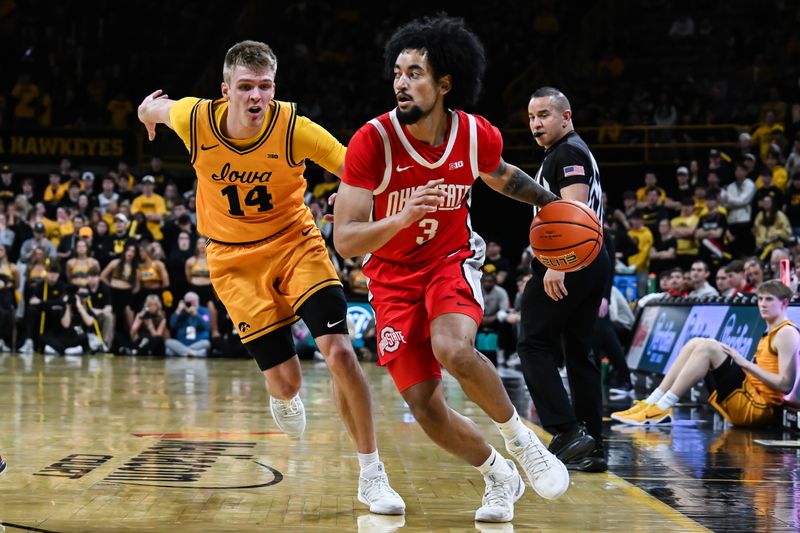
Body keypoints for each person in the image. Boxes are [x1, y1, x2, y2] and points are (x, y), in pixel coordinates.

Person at [137, 40, 404, 515]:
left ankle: (372, 474)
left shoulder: (293, 129)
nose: (256, 96)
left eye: (264, 86)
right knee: (286, 383)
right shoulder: (194, 120)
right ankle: (283, 396)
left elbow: (354, 168)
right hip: (233, 261)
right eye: (245, 87)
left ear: (274, 88)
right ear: (225, 92)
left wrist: (405, 192)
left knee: (340, 352)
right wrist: (146, 113)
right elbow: (154, 107)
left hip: (295, 243)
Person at [333, 15, 568, 524]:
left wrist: (554, 207)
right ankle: (497, 473)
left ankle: (523, 443)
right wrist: (404, 214)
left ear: (444, 83)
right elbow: (346, 239)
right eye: (397, 72)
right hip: (391, 277)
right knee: (425, 407)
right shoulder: (372, 142)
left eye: (415, 72)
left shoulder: (473, 133)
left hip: (450, 259)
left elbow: (503, 177)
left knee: (453, 347)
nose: (401, 82)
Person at [515, 86, 612, 473]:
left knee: (532, 343)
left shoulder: (567, 152)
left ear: (565, 117)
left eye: (543, 116)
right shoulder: (570, 150)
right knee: (579, 352)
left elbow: (573, 207)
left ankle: (566, 431)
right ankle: (591, 446)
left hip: (573, 257)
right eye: (532, 118)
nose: (536, 124)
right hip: (593, 259)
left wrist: (559, 262)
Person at [612, 280, 800, 427]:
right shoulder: (773, 331)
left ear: (784, 303)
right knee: (696, 342)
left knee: (708, 348)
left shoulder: (786, 333)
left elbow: (785, 384)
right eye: (760, 299)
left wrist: (745, 364)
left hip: (760, 408)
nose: (762, 304)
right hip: (750, 396)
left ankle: (661, 408)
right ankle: (652, 403)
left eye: (769, 300)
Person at [165, 291, 211, 357]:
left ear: (197, 301)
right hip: (181, 343)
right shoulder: (181, 312)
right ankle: (193, 353)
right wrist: (178, 310)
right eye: (189, 302)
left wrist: (196, 315)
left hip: (197, 342)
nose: (191, 304)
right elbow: (172, 325)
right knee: (168, 342)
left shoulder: (203, 311)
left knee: (207, 343)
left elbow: (207, 327)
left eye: (193, 301)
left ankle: (183, 352)